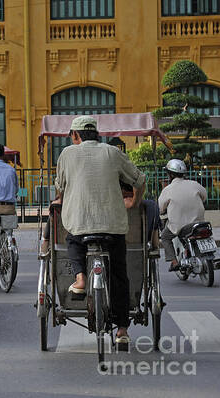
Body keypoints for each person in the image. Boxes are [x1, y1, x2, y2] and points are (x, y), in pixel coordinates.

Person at [54, 115, 145, 346]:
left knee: (73, 240)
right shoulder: (112, 152)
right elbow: (139, 179)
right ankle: (122, 329)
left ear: (75, 135)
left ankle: (80, 277)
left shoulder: (67, 154)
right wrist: (134, 203)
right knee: (119, 275)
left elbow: (60, 186)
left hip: (80, 223)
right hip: (112, 226)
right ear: (97, 133)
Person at [158, 159, 207, 272]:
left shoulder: (167, 190)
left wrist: (163, 211)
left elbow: (160, 209)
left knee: (165, 237)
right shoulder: (194, 184)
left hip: (181, 226)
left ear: (170, 174)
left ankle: (174, 262)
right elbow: (204, 196)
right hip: (199, 223)